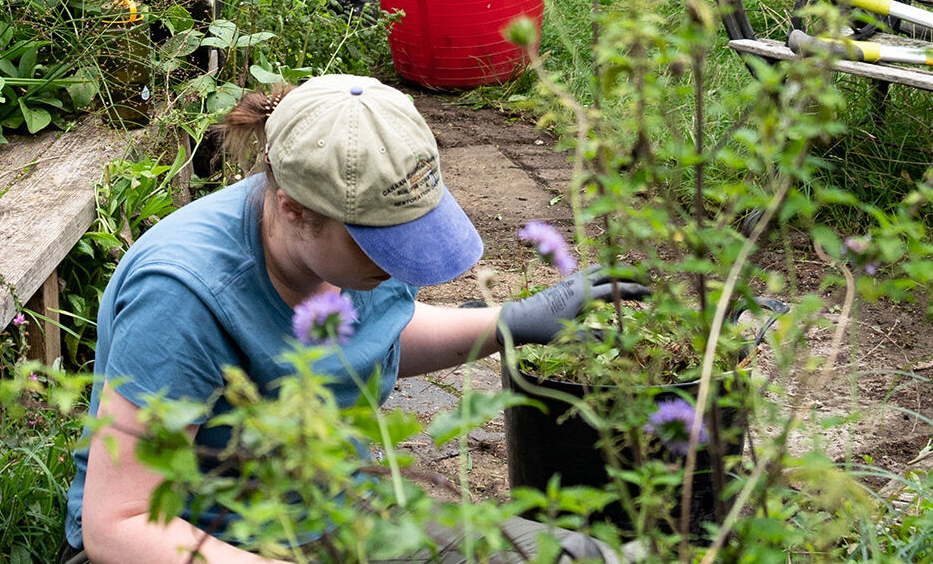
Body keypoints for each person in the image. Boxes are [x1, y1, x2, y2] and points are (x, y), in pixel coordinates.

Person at [62, 74, 648, 563]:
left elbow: (375, 335)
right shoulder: (184, 293)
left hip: (333, 512)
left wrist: (509, 322)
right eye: (382, 245)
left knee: (578, 557)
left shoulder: (338, 246)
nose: (401, 267)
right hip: (206, 543)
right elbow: (119, 526)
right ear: (293, 207)